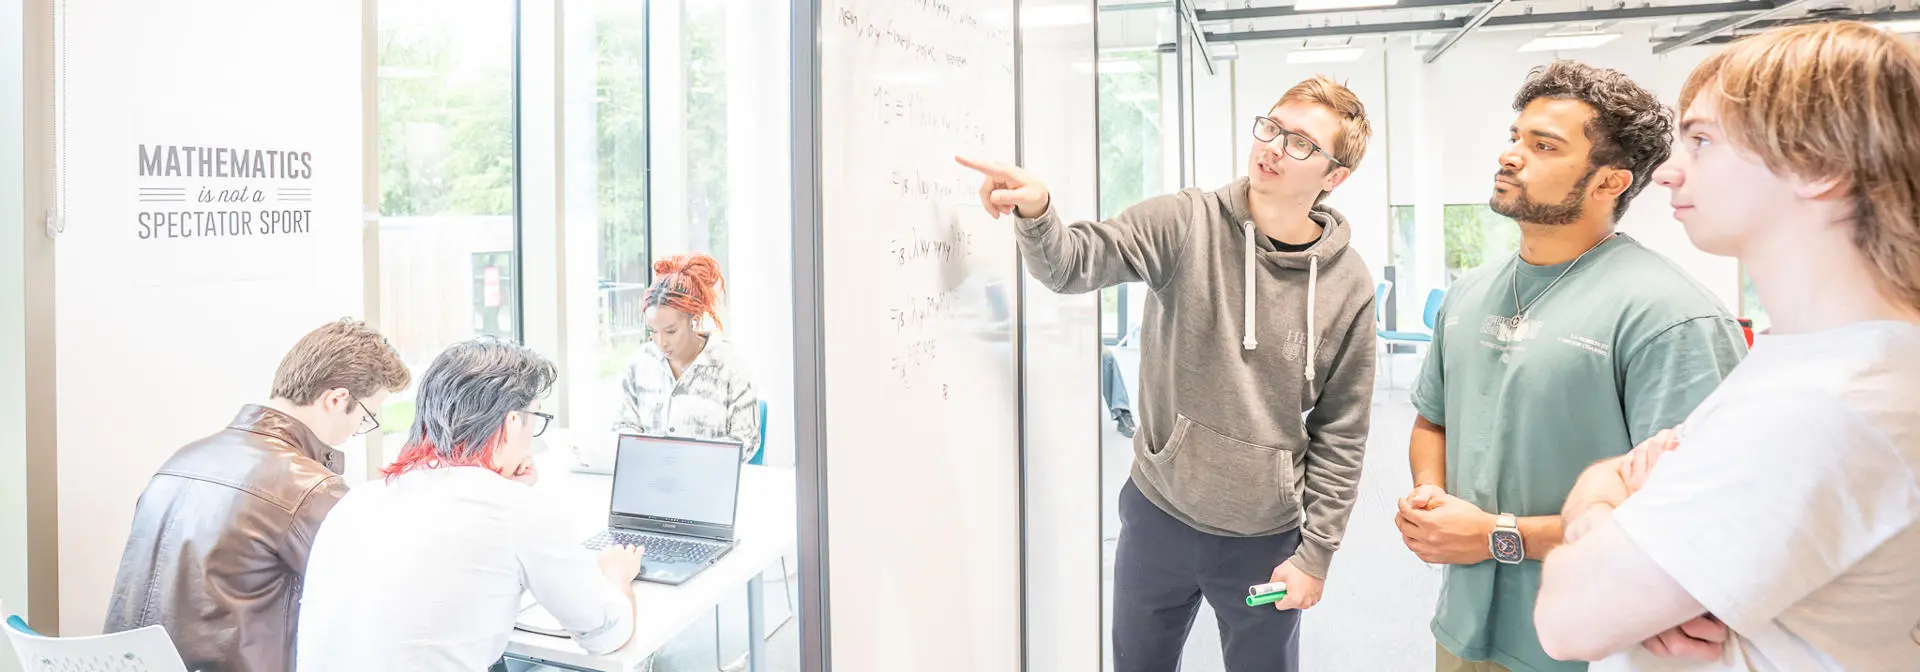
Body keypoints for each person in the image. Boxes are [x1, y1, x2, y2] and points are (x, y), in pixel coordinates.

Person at [959, 74, 1378, 672]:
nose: (1273, 147)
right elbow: (1072, 265)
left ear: (1334, 176)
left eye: (1301, 143)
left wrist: (1316, 556)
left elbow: (1343, 431)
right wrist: (1039, 211)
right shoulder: (1185, 222)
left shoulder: (1349, 284)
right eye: (1272, 127)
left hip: (1265, 538)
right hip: (1160, 516)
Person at [1535, 22, 1920, 670]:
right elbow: (1612, 483)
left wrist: (1599, 513)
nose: (1666, 172)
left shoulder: (1822, 407)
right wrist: (1613, 505)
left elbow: (1567, 618)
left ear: (1817, 165)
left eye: (1703, 140)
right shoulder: (1813, 364)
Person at [1394, 61, 1748, 672]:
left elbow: (1691, 522)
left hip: (1590, 645)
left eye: (1543, 146)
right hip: (1462, 628)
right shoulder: (1469, 293)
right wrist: (1431, 498)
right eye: (1515, 138)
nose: (1511, 157)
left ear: (1610, 182)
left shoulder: (1671, 317)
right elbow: (1433, 420)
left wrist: (1495, 537)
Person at [295, 337, 645, 671]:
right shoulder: (512, 509)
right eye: (534, 420)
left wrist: (504, 489)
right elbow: (607, 634)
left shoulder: (357, 502)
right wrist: (616, 573)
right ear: (510, 424)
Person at [103, 318, 412, 672]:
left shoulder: (181, 460)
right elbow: (375, 602)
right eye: (366, 417)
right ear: (337, 399)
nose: (359, 431)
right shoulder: (310, 490)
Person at [614, 252, 760, 461]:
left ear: (694, 320)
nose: (661, 342)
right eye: (653, 331)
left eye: (671, 331)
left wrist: (691, 462)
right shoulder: (641, 363)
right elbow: (623, 427)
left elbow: (746, 440)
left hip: (711, 481)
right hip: (651, 479)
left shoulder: (731, 364)